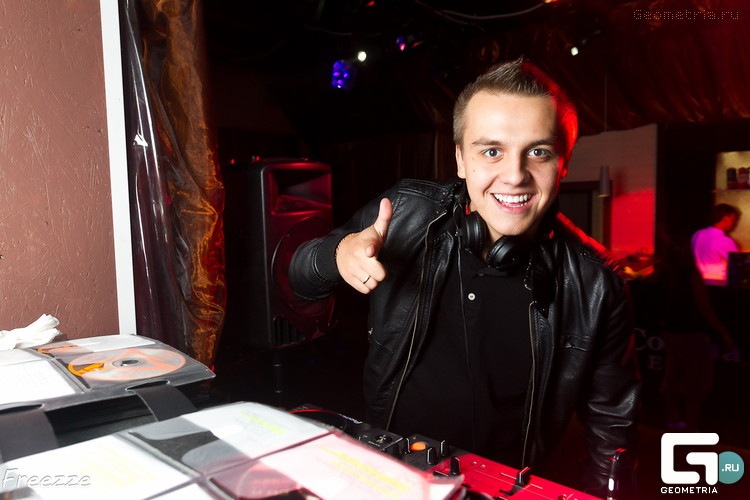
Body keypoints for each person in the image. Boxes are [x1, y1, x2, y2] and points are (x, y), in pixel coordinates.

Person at [289, 59, 639, 496]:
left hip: (502, 489)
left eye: (538, 152)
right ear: (460, 158)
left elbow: (612, 426)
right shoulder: (403, 213)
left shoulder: (597, 284)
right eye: (492, 151)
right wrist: (337, 254)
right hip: (391, 476)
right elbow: (299, 278)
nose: (515, 175)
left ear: (563, 162)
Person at [656, 233, 735, 432]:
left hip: (671, 331)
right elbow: (704, 307)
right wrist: (723, 332)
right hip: (692, 333)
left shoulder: (664, 272)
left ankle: (673, 420)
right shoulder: (690, 273)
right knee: (698, 381)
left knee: (673, 375)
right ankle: (691, 424)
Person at [691, 203, 741, 285]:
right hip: (718, 282)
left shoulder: (697, 234)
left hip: (699, 281)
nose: (733, 223)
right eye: (732, 219)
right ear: (725, 219)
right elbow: (738, 264)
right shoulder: (724, 240)